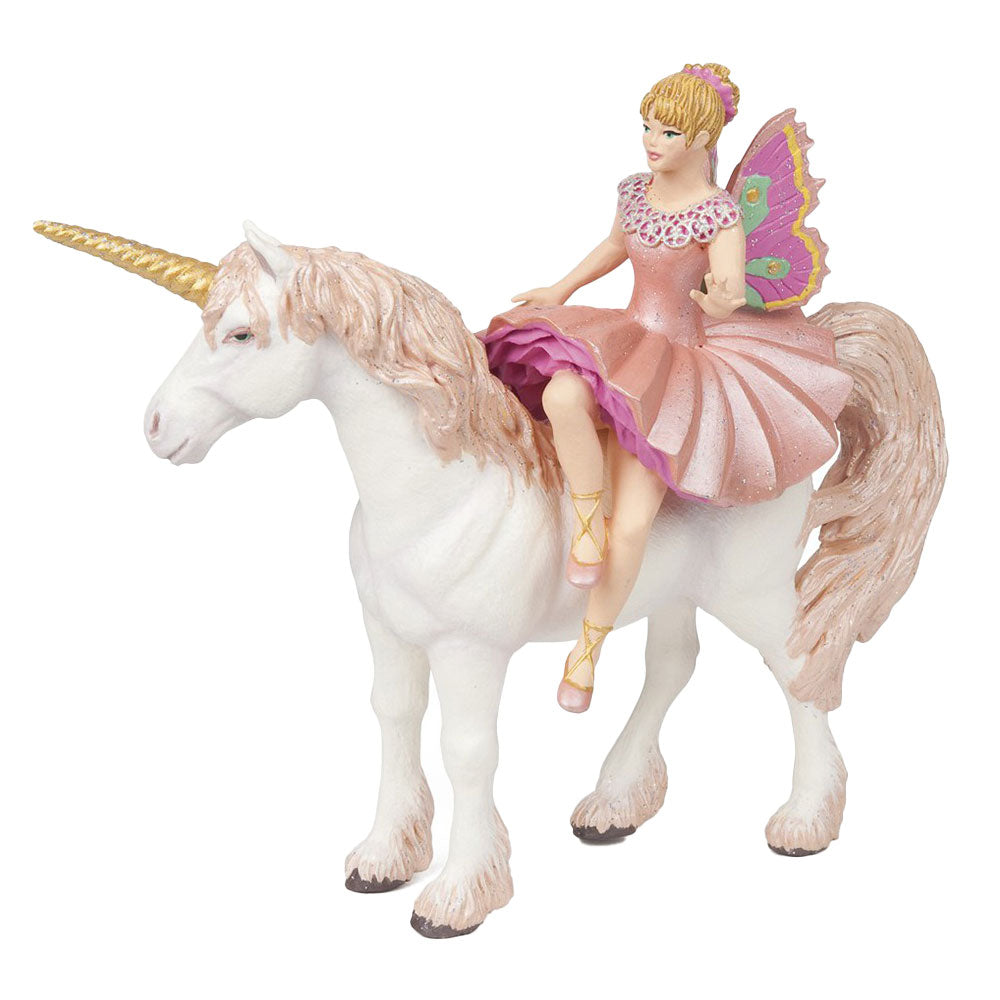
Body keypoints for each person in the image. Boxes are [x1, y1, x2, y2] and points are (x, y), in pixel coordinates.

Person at [480, 63, 853, 713]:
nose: (652, 141)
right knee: (562, 394)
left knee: (634, 529)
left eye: (669, 132)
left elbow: (729, 280)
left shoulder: (718, 215)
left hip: (675, 365)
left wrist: (723, 297)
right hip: (624, 337)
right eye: (648, 127)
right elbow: (613, 247)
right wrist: (561, 289)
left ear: (703, 138)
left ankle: (588, 649)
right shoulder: (635, 191)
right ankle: (585, 522)